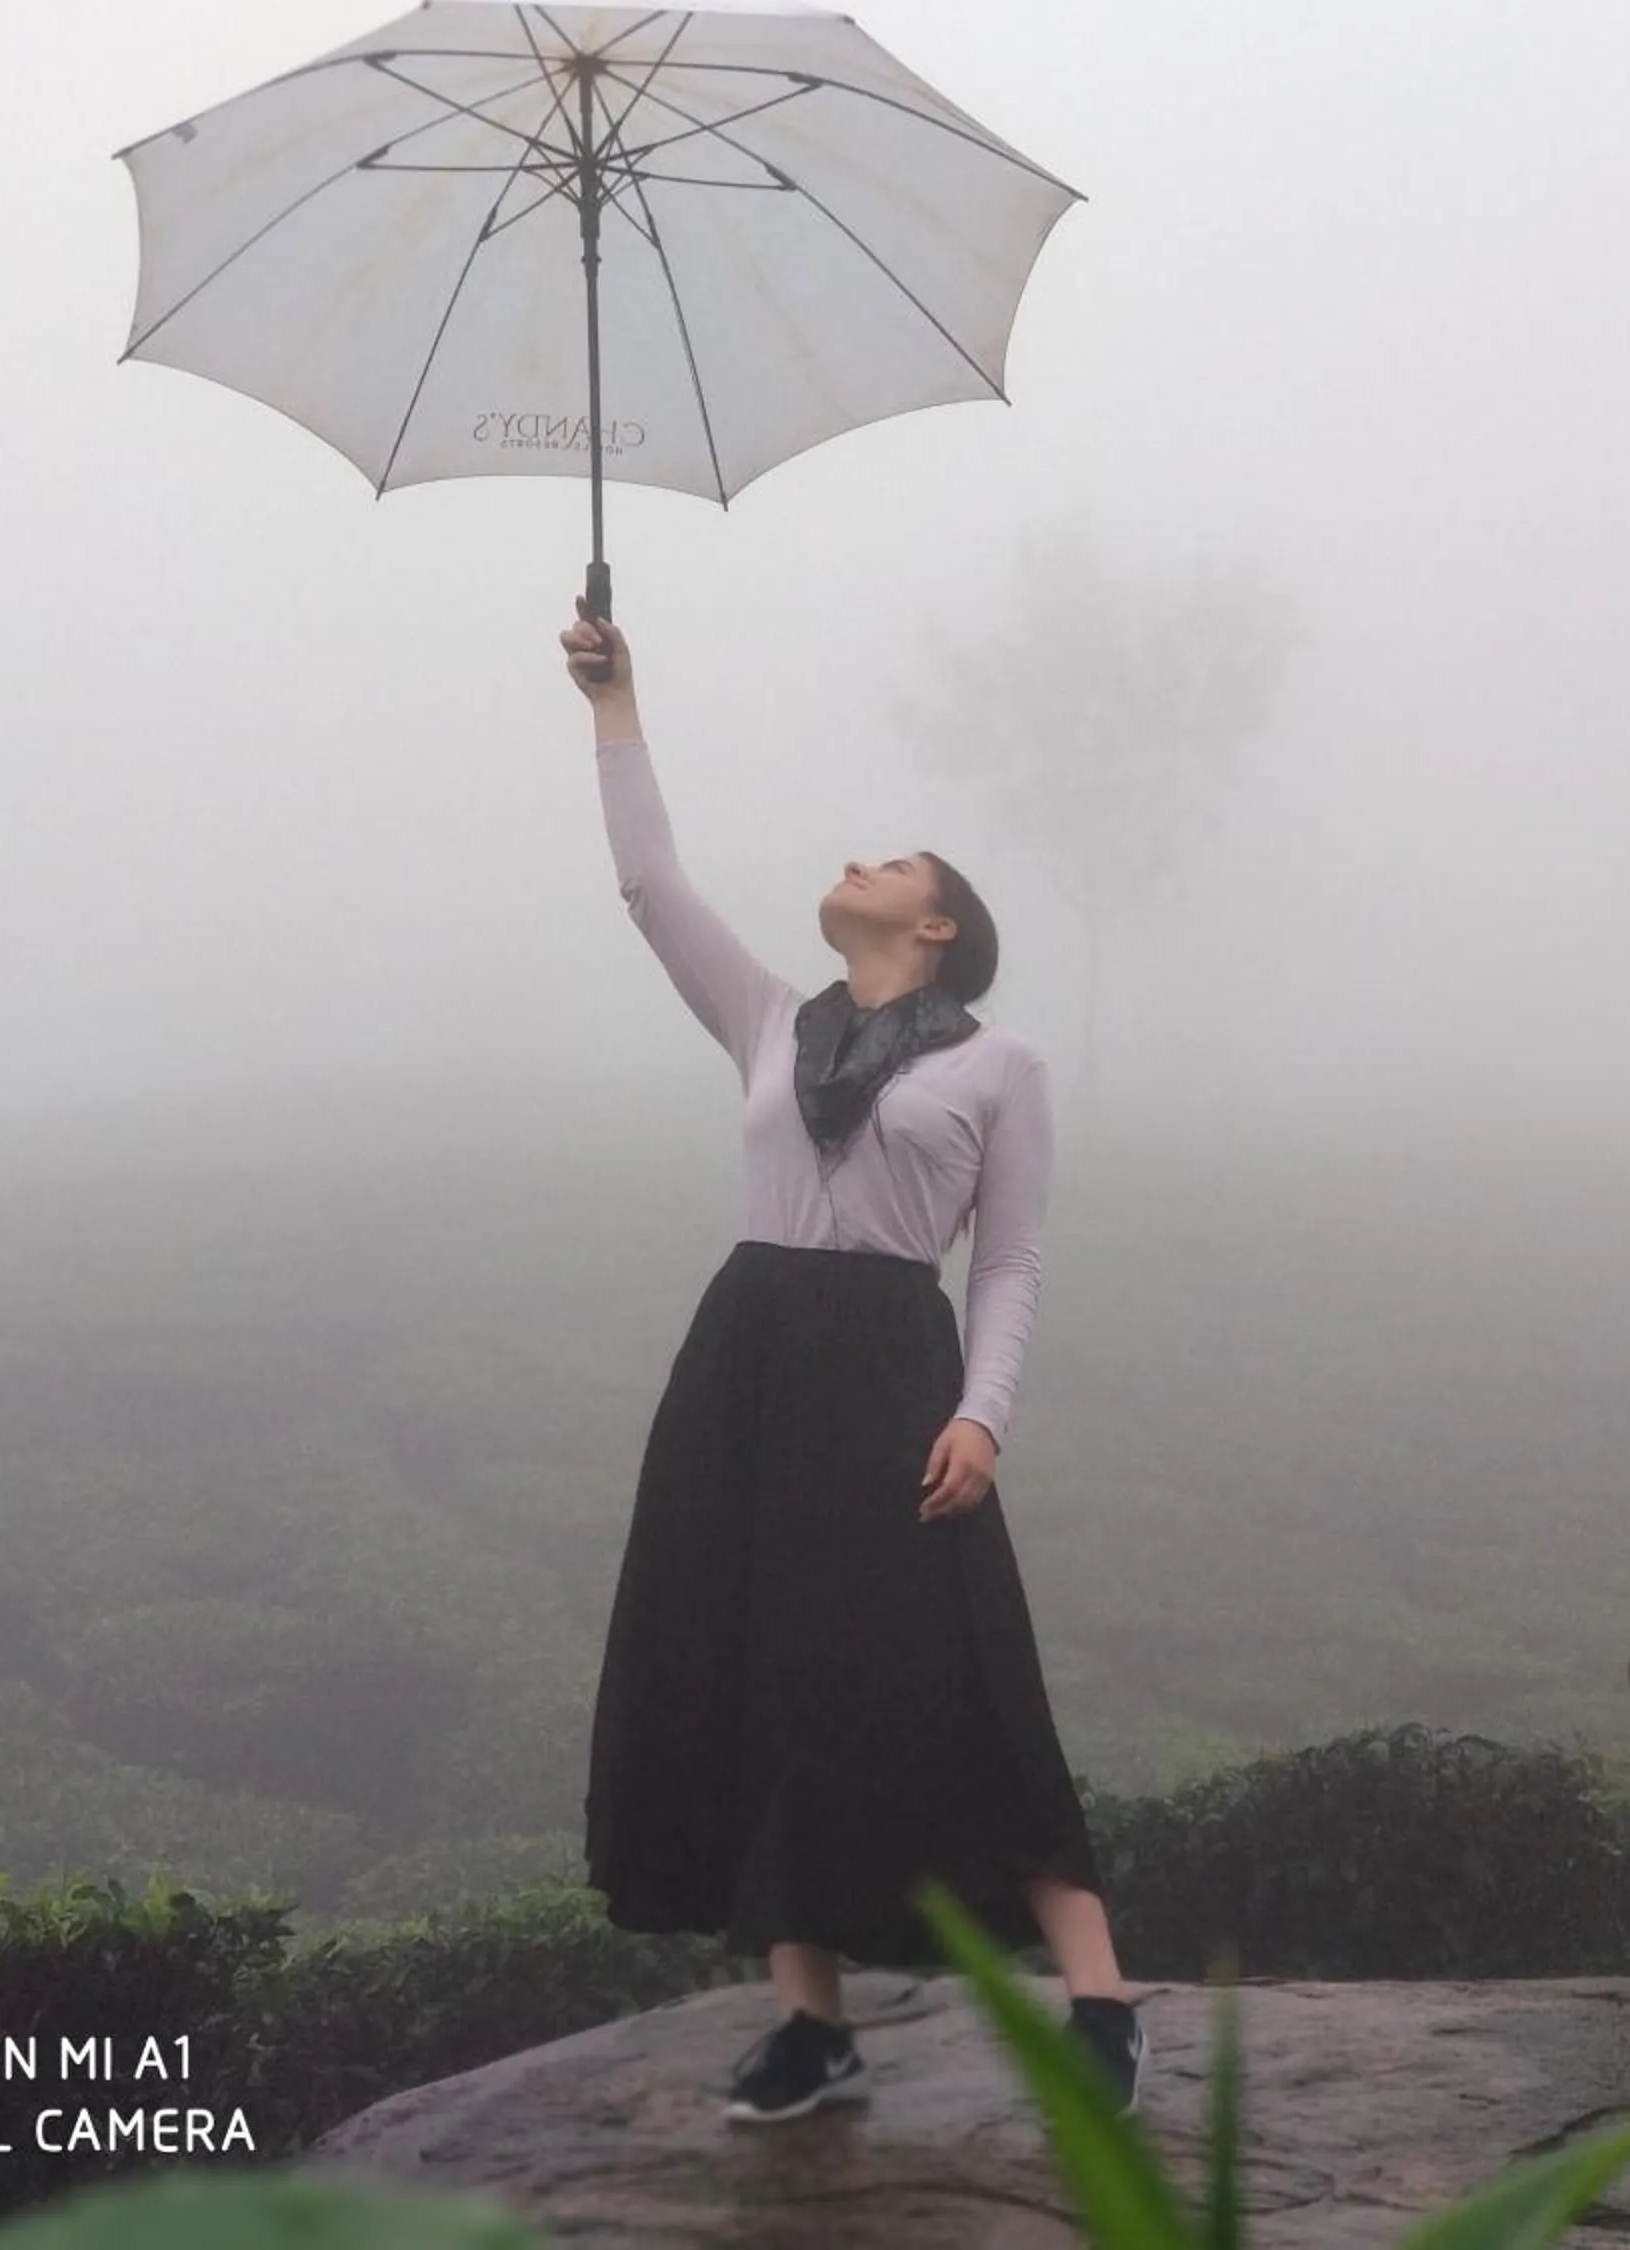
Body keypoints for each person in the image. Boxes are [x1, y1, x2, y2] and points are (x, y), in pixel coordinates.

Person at [561, 594, 1148, 2128]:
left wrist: (985, 1414)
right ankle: (811, 2027)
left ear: (937, 924)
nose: (856, 862)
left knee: (962, 1673)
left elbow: (1008, 1259)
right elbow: (645, 879)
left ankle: (1098, 1998)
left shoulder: (995, 1062)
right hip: (747, 1361)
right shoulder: (772, 1019)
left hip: (897, 1366)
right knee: (762, 1673)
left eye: (892, 860)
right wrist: (616, 702)